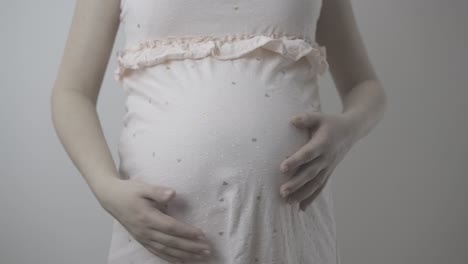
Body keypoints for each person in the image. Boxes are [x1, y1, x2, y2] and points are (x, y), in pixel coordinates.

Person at [51, 0, 386, 263]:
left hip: (286, 227)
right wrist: (104, 187)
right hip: (158, 232)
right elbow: (72, 92)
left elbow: (364, 85)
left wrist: (347, 130)